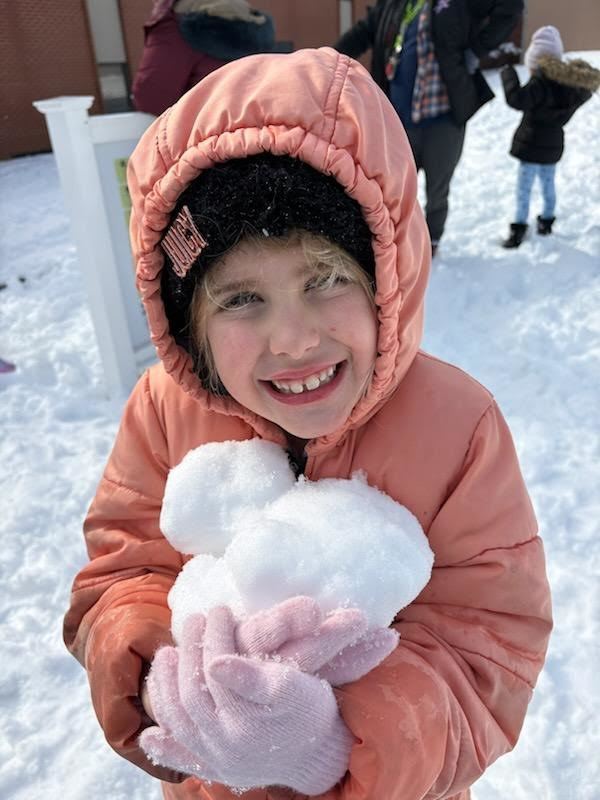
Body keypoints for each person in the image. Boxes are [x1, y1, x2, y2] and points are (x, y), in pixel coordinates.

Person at [64, 47, 552, 799]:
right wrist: (164, 674)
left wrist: (332, 743)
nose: (292, 339)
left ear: (387, 277)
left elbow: (489, 646)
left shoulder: (459, 429)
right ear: (190, 320)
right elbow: (120, 573)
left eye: (324, 279)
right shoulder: (163, 409)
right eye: (240, 299)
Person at [335, 0, 523, 256]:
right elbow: (363, 32)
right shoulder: (395, 4)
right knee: (393, 189)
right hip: (398, 122)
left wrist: (477, 50)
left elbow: (509, 7)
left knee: (437, 190)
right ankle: (395, 243)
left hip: (443, 121)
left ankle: (432, 241)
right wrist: (327, 57)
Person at [500, 25, 600, 248]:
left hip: (530, 146)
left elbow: (516, 99)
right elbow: (580, 97)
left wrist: (508, 74)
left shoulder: (539, 84)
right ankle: (546, 221)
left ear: (534, 62)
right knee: (548, 186)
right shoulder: (570, 88)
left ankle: (518, 228)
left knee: (524, 190)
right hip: (553, 147)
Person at [132, 0, 275, 116]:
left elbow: (151, 99)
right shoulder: (250, 19)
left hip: (205, 139)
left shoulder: (174, 25)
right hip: (256, 137)